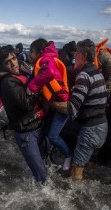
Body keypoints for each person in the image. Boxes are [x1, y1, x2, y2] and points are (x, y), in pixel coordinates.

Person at [51, 39, 108, 180]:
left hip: (91, 129)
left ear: (82, 55)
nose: (74, 57)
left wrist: (49, 103)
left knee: (76, 172)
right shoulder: (97, 72)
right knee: (87, 165)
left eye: (76, 53)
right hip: (102, 126)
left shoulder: (83, 76)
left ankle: (77, 198)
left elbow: (71, 108)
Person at [0, 45, 47, 184]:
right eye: (8, 62)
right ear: (2, 66)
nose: (13, 63)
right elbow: (27, 103)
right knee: (41, 177)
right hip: (27, 133)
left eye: (14, 58)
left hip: (36, 126)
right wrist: (38, 84)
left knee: (45, 169)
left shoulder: (20, 72)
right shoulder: (8, 81)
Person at [27, 38, 72, 175]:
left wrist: (32, 86)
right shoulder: (49, 58)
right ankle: (50, 158)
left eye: (31, 51)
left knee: (52, 136)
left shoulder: (44, 59)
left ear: (37, 52)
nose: (29, 54)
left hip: (61, 104)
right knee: (47, 132)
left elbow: (50, 73)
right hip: (56, 102)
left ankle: (69, 155)